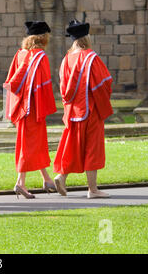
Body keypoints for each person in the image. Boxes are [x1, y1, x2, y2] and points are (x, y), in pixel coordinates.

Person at [53, 20, 113, 199]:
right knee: (92, 148)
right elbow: (103, 84)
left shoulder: (66, 59)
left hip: (72, 112)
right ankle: (92, 190)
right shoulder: (90, 57)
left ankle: (61, 177)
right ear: (86, 38)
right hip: (90, 110)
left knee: (74, 146)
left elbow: (63, 87)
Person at [3, 21, 57, 199]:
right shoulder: (39, 56)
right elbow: (41, 85)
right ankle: (20, 182)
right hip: (32, 108)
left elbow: (13, 80)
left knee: (37, 144)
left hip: (21, 106)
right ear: (42, 38)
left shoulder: (21, 54)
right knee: (27, 145)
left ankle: (47, 179)